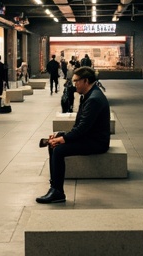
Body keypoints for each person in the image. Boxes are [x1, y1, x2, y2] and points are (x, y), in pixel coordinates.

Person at [36, 67, 111, 204]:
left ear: (86, 81)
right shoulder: (90, 94)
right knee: (56, 141)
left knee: (58, 150)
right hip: (90, 136)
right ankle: (55, 187)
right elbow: (81, 126)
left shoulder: (94, 99)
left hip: (96, 142)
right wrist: (60, 136)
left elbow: (82, 129)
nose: (74, 84)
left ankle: (57, 191)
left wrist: (63, 139)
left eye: (76, 81)